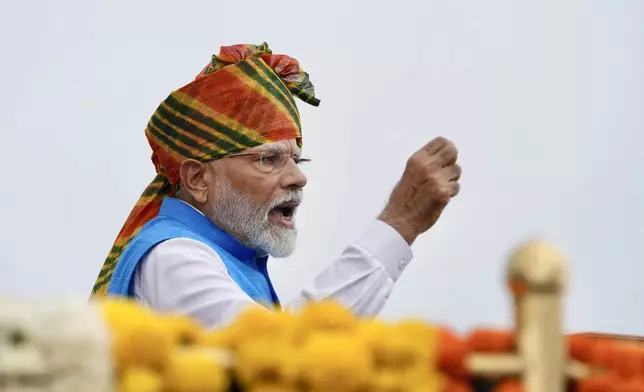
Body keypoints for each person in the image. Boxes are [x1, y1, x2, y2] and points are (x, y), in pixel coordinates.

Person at [91, 42, 461, 328]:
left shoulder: (224, 257)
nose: (298, 177)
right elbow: (279, 359)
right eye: (269, 159)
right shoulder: (174, 257)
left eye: (296, 160)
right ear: (198, 179)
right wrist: (399, 224)